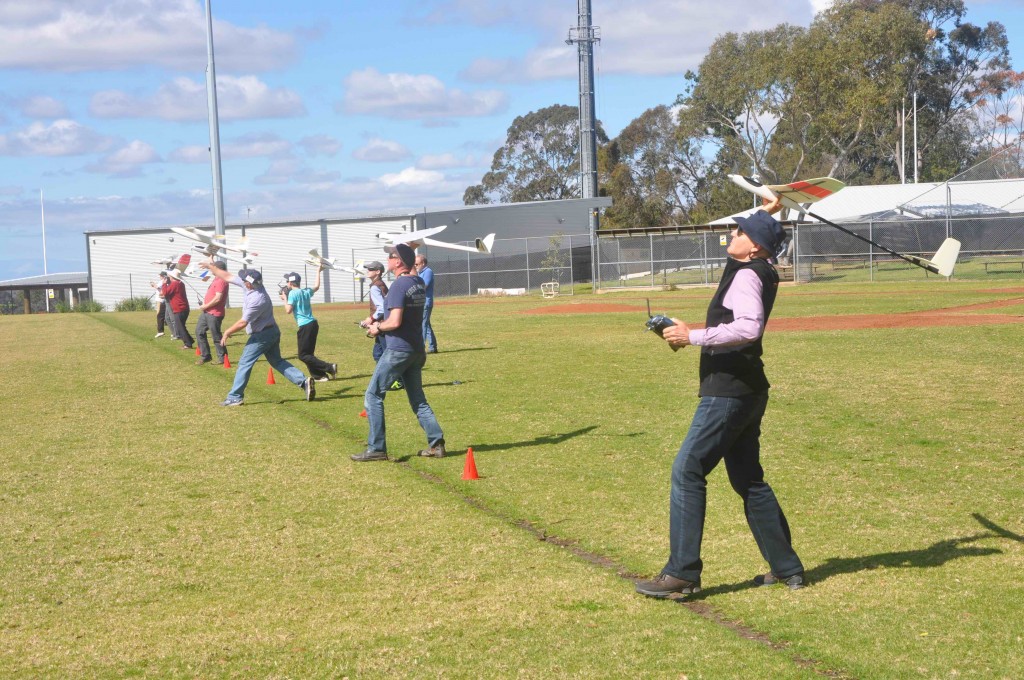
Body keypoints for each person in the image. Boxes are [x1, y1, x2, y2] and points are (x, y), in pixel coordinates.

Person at [635, 196, 806, 598]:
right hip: (748, 389)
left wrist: (692, 336)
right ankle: (787, 569)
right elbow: (741, 280)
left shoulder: (747, 276)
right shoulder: (753, 266)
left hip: (727, 393)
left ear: (757, 247)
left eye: (742, 231)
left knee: (687, 470)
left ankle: (681, 573)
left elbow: (748, 328)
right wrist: (769, 211)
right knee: (749, 479)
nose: (733, 233)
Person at [353, 243, 445, 462]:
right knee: (418, 400)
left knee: (373, 395)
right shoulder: (418, 282)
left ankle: (376, 448)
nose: (387, 261)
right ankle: (437, 444)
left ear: (397, 262)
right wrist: (410, 248)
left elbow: (394, 321)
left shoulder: (398, 286)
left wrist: (377, 327)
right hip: (416, 349)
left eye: (390, 257)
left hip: (398, 350)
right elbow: (412, 270)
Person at [199, 262, 316, 407]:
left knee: (244, 363)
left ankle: (235, 397)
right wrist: (211, 267)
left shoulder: (257, 300)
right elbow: (227, 276)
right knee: (277, 361)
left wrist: (227, 332)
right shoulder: (251, 286)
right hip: (272, 331)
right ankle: (303, 381)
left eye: (244, 279)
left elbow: (243, 323)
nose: (241, 280)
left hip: (262, 335)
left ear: (249, 283)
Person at [279, 267, 337, 382]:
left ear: (290, 283)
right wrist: (317, 271)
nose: (286, 283)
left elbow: (288, 310)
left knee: (303, 355)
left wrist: (284, 299)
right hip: (313, 324)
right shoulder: (305, 291)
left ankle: (330, 367)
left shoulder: (292, 294)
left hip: (305, 326)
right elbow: (316, 286)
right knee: (309, 354)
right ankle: (320, 375)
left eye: (287, 281)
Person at [195, 260, 229, 366]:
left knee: (216, 336)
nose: (211, 269)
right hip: (207, 312)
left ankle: (223, 358)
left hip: (214, 313)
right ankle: (206, 356)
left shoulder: (221, 281)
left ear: (218, 269)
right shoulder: (217, 278)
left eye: (213, 267)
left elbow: (218, 298)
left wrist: (205, 306)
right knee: (199, 332)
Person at [358, 261, 388, 362]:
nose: (368, 271)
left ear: (378, 271)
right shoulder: (381, 284)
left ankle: (395, 377)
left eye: (371, 269)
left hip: (381, 324)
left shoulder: (375, 287)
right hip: (382, 322)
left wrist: (370, 319)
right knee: (378, 354)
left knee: (384, 355)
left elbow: (382, 308)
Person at [159, 269, 194, 349]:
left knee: (179, 327)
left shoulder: (174, 284)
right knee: (181, 326)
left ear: (171, 277)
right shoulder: (180, 283)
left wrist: (164, 284)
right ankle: (189, 341)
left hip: (179, 308)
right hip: (183, 308)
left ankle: (188, 344)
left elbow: (165, 293)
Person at [415, 254, 437, 353]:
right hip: (422, 302)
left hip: (426, 302)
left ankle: (421, 348)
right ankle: (432, 347)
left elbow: (424, 286)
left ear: (423, 263)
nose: (415, 266)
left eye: (417, 264)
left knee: (423, 324)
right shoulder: (420, 272)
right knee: (426, 324)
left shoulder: (428, 272)